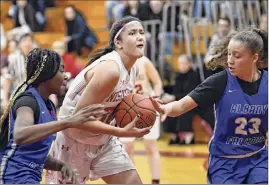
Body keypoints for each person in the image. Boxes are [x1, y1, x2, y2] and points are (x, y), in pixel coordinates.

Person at [150, 28, 268, 184]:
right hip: (225, 161)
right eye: (229, 54)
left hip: (258, 157)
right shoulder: (220, 81)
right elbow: (182, 105)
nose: (230, 60)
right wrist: (166, 108)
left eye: (237, 56)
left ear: (254, 57)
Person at [45, 16, 151, 184]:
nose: (140, 37)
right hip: (73, 141)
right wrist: (122, 132)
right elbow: (78, 119)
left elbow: (112, 103)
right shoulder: (110, 70)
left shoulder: (132, 68)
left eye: (141, 32)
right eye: (132, 33)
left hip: (103, 140)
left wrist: (138, 101)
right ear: (118, 43)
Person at [0, 48, 107, 184]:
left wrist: (60, 165)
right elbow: (20, 135)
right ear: (47, 74)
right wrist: (69, 121)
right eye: (61, 70)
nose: (66, 76)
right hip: (10, 176)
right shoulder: (27, 101)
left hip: (27, 178)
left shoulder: (49, 106)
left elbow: (34, 154)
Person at [120, 56, 162, 184]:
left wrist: (155, 98)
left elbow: (157, 82)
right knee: (127, 147)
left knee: (151, 146)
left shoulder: (144, 61)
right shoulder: (117, 62)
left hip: (147, 108)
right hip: (127, 110)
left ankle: (155, 181)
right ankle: (132, 181)